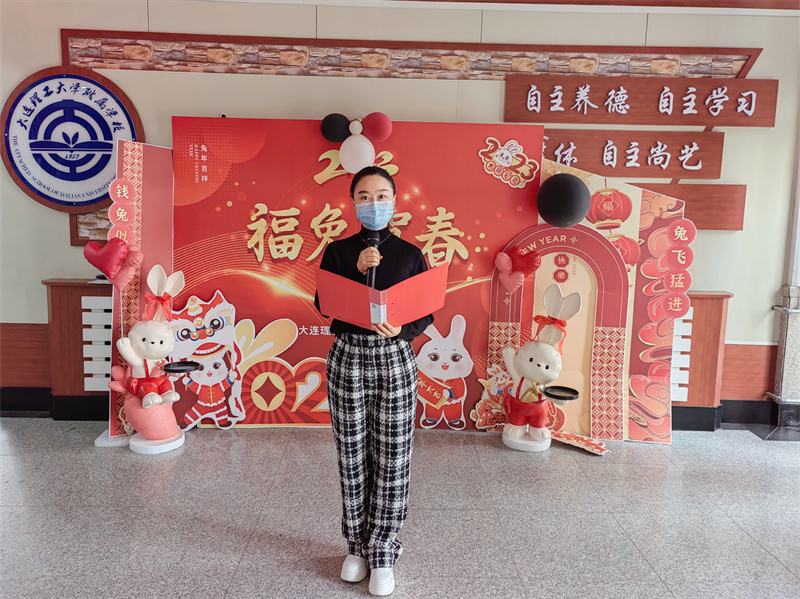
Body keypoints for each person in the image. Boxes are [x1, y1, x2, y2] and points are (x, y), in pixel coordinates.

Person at [315, 165, 434, 596]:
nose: (373, 203)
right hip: (348, 357)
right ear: (353, 203)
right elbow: (324, 304)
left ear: (394, 201)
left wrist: (402, 330)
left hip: (394, 359)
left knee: (393, 455)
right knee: (352, 454)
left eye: (381, 195)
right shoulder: (338, 251)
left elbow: (426, 311)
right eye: (364, 196)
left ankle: (383, 550)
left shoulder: (410, 254)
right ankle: (356, 546)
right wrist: (355, 268)